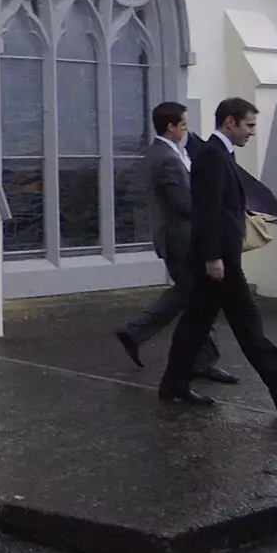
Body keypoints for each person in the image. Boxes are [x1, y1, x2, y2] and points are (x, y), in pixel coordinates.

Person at [158, 98, 277, 415]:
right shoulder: (212, 156)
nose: (252, 132)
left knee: (195, 325)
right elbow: (207, 210)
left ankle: (174, 384)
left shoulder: (218, 154)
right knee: (250, 328)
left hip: (216, 257)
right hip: (219, 260)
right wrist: (213, 258)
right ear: (230, 122)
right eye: (249, 125)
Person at [114, 102, 234, 383]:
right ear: (171, 126)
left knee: (191, 295)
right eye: (183, 124)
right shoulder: (166, 157)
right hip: (182, 238)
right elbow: (184, 203)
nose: (186, 129)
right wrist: (217, 210)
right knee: (200, 295)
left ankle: (137, 333)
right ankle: (201, 360)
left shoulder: (169, 152)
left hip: (181, 236)